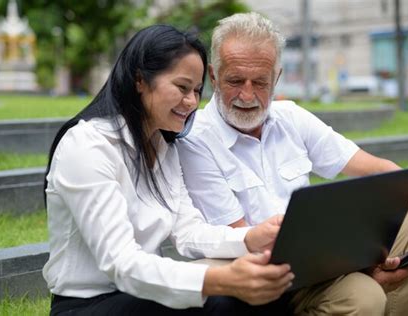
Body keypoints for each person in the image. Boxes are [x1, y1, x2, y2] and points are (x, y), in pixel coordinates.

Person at [176, 12, 408, 316]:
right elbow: (250, 242)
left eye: (260, 82)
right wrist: (355, 261)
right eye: (235, 80)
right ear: (213, 76)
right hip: (265, 274)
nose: (247, 95)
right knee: (363, 296)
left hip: (320, 253)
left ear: (276, 77)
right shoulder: (196, 139)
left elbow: (374, 168)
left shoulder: (289, 116)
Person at [42, 24, 300, 315]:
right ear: (140, 80)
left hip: (141, 296)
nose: (191, 102)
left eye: (197, 90)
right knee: (221, 297)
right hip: (89, 305)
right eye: (181, 87)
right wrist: (217, 280)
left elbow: (188, 232)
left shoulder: (164, 147)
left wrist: (251, 238)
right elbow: (121, 263)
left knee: (265, 291)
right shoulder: (87, 145)